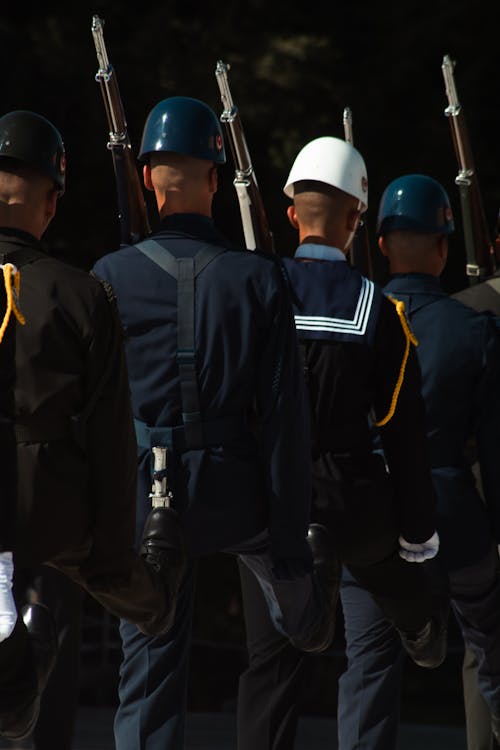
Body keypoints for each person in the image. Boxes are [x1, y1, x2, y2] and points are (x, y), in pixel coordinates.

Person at [91, 96, 340, 750]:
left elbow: (93, 418)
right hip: (238, 495)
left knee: (147, 675)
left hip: (147, 496)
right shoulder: (257, 279)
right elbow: (286, 423)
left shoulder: (110, 277)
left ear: (146, 176)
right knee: (293, 624)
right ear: (213, 179)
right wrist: (288, 547)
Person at [236, 138, 449, 750]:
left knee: (270, 665)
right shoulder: (377, 310)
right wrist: (416, 535)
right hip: (350, 493)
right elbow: (402, 433)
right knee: (394, 570)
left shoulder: (255, 291)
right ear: (358, 219)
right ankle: (418, 623)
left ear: (290, 213)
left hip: (271, 502)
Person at [0, 109, 185, 741]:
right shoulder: (82, 295)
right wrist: (112, 556)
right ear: (50, 203)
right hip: (51, 508)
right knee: (152, 604)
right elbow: (109, 440)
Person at [333, 173, 500, 750]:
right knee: (493, 655)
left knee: (367, 675)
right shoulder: (474, 329)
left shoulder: (355, 321)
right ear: (444, 246)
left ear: (379, 243)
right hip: (455, 521)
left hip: (373, 525)